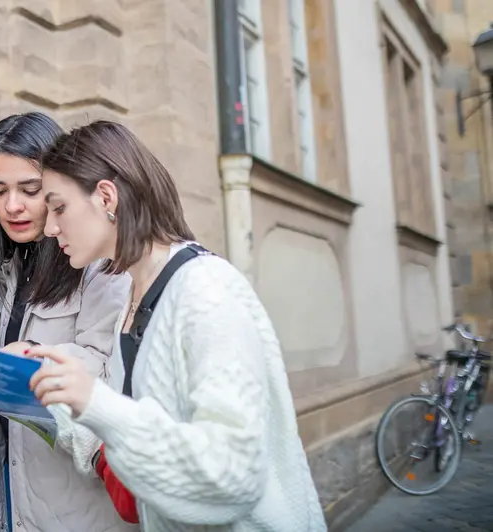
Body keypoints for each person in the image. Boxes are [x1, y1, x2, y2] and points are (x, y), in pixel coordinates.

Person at [26, 121, 326, 531]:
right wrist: (48, 385)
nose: (49, 228)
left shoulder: (206, 291)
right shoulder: (134, 299)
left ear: (106, 197)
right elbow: (128, 432)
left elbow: (234, 474)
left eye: (58, 207)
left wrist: (96, 402)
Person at [0, 112, 136, 532]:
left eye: (30, 190)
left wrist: (23, 364)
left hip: (83, 507)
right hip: (22, 498)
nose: (12, 206)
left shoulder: (97, 261)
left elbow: (110, 372)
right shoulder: (11, 266)